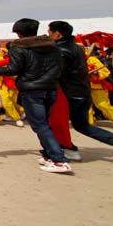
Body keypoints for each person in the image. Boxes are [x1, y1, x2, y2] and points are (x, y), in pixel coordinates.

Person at [0, 18, 69, 173]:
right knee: (44, 124)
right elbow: (60, 67)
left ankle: (59, 160)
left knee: (40, 125)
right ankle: (49, 155)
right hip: (51, 88)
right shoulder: (52, 46)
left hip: (32, 90)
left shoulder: (19, 47)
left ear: (19, 33)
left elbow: (13, 69)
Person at [47, 21, 113, 154]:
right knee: (80, 125)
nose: (48, 35)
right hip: (81, 91)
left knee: (80, 125)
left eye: (50, 32)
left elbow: (56, 73)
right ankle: (64, 148)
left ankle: (63, 150)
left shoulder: (61, 50)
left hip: (71, 94)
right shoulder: (76, 48)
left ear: (58, 34)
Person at [85, 48, 113, 121]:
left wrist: (96, 73)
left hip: (95, 86)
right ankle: (89, 123)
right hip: (83, 86)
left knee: (102, 104)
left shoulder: (92, 59)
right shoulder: (74, 61)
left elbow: (105, 71)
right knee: (86, 106)